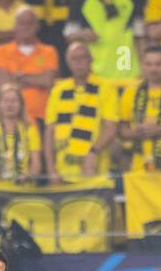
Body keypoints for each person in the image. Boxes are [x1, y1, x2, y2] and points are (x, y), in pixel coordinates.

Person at [43, 41, 118, 183]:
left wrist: (94, 151)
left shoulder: (106, 88)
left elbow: (111, 128)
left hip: (94, 170)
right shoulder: (58, 90)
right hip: (62, 170)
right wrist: (51, 170)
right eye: (74, 59)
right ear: (68, 62)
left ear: (90, 60)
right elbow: (50, 132)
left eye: (82, 57)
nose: (79, 63)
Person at [65, 0, 138, 83]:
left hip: (125, 69)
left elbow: (140, 36)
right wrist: (82, 34)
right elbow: (69, 36)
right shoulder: (80, 2)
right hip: (95, 71)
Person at [0, 6, 60, 125]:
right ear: (14, 26)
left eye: (30, 23)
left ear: (37, 26)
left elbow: (47, 81)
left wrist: (19, 77)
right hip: (10, 118)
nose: (26, 27)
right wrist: (36, 79)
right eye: (21, 23)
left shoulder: (49, 51)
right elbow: (5, 83)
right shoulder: (1, 51)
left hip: (41, 116)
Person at [0, 82, 42, 181]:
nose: (10, 104)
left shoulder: (30, 129)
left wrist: (29, 177)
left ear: (21, 104)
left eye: (14, 100)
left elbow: (36, 164)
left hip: (21, 188)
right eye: (5, 100)